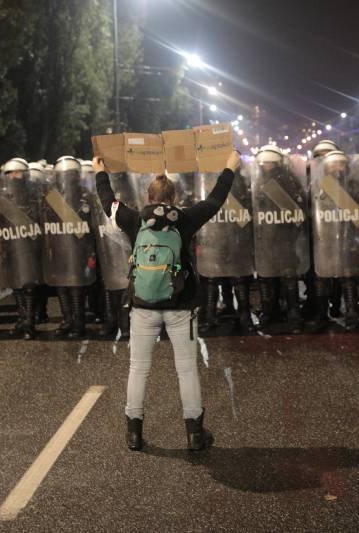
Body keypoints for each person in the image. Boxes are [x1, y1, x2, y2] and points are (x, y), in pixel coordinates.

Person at [94, 150, 241, 452]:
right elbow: (215, 200)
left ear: (149, 197)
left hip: (143, 307)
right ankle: (194, 434)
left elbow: (107, 202)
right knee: (186, 368)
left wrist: (100, 172)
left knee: (139, 368)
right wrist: (229, 167)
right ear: (174, 198)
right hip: (180, 307)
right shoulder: (184, 219)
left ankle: (134, 434)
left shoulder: (135, 219)